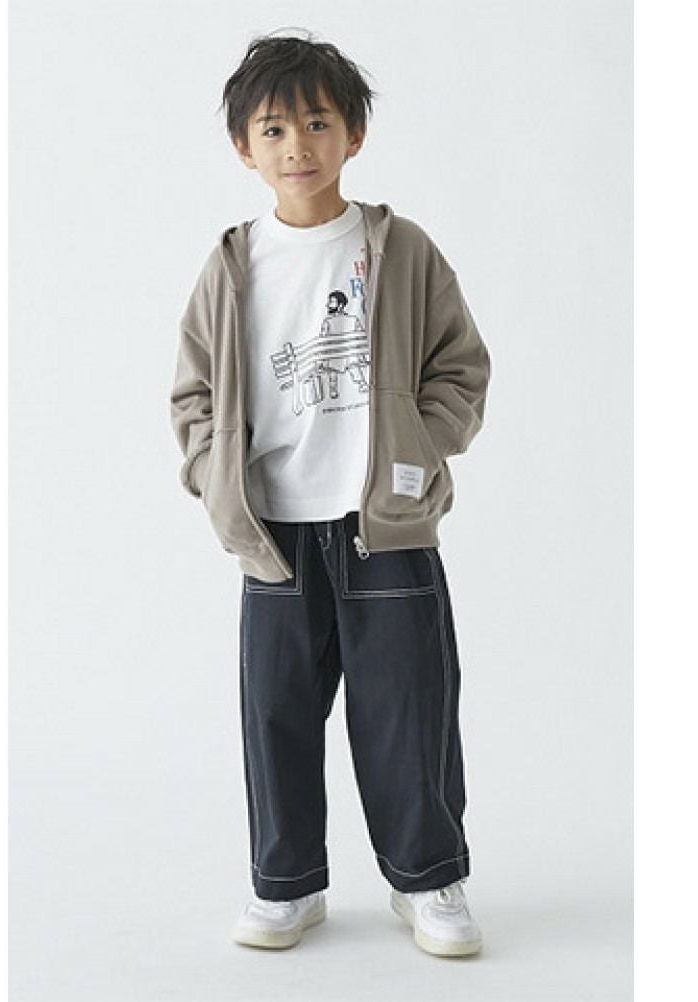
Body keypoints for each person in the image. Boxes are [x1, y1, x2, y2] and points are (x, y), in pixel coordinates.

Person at [169, 30, 492, 958]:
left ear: (354, 134)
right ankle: (286, 885)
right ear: (244, 148)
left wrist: (417, 448)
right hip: (273, 534)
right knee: (275, 715)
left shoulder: (401, 248)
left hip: (384, 529)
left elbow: (460, 367)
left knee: (407, 715)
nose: (297, 146)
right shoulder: (233, 263)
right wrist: (214, 478)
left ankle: (427, 880)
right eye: (273, 130)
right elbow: (193, 393)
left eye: (317, 123)